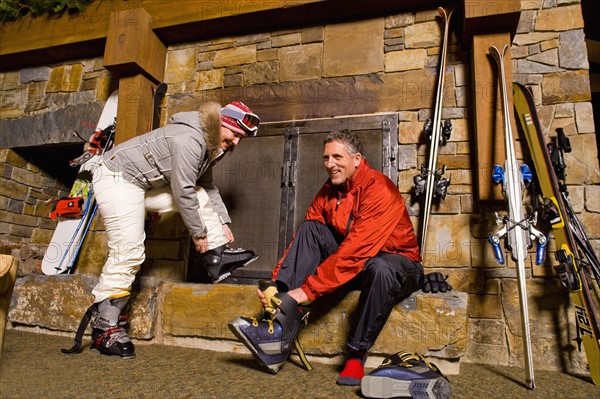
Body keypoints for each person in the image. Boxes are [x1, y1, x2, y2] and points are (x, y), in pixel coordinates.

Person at [64, 100, 260, 358]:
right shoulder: (191, 140)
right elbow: (183, 191)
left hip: (141, 185)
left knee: (201, 194)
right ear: (222, 123)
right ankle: (105, 329)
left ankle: (215, 257)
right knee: (129, 250)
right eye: (235, 134)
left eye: (241, 139)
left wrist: (220, 223)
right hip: (116, 176)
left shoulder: (211, 147)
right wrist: (199, 234)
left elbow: (207, 187)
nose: (236, 142)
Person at [229, 130, 424, 385]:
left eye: (336, 157)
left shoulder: (379, 189)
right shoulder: (329, 191)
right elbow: (308, 233)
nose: (329, 164)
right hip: (358, 265)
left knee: (381, 266)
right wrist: (279, 285)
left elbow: (355, 251)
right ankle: (276, 328)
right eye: (325, 157)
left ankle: (356, 355)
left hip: (398, 265)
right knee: (311, 228)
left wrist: (306, 291)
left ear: (356, 159)